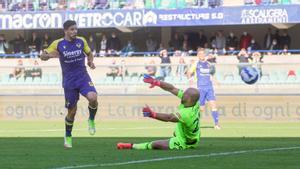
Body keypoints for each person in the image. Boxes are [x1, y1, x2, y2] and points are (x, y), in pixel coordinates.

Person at [40, 20, 98, 148]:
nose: (75, 32)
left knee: (93, 97)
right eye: (72, 29)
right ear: (65, 31)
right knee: (72, 111)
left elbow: (89, 53)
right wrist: (46, 56)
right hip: (69, 81)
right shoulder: (58, 43)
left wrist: (90, 61)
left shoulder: (81, 41)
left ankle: (91, 119)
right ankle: (68, 135)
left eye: (76, 29)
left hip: (83, 77)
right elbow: (44, 56)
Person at [117, 74, 201, 150]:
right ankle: (179, 134)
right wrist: (156, 82)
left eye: (185, 94)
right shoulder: (194, 102)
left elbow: (169, 118)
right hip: (194, 136)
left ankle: (132, 146)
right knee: (179, 129)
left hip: (185, 142)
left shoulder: (187, 114)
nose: (183, 94)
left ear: (190, 99)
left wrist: (153, 114)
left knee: (156, 144)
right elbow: (171, 88)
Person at [188, 48, 220, 129]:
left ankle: (216, 124)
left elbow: (212, 74)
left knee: (213, 105)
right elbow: (189, 72)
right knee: (201, 109)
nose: (202, 55)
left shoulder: (208, 64)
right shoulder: (196, 64)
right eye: (200, 54)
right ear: (198, 55)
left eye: (203, 54)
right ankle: (194, 123)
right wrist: (190, 81)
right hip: (201, 88)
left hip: (209, 87)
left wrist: (216, 81)